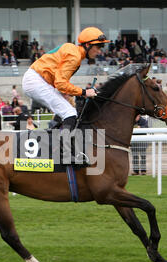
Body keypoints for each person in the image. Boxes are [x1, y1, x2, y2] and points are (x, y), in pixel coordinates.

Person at [22, 27, 108, 165]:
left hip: (38, 79)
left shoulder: (71, 49)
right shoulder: (75, 57)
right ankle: (64, 152)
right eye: (97, 47)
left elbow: (58, 79)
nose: (99, 51)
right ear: (87, 45)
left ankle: (55, 143)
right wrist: (84, 92)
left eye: (101, 47)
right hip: (36, 81)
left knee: (66, 110)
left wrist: (68, 93)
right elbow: (61, 83)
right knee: (69, 112)